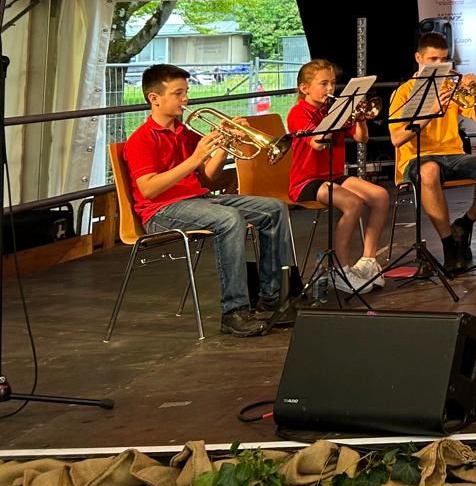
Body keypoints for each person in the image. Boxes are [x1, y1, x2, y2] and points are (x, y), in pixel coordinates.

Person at [124, 64, 295, 337]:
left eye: (186, 92)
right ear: (154, 98)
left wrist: (225, 143)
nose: (185, 99)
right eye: (178, 93)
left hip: (198, 200)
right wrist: (195, 158)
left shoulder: (185, 133)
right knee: (229, 220)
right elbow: (149, 189)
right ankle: (234, 311)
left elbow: (209, 177)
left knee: (274, 208)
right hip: (160, 212)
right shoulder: (141, 139)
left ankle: (272, 297)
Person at [388, 33, 476, 275]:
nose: (440, 65)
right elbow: (397, 138)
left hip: (454, 155)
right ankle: (449, 246)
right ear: (418, 58)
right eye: (433, 59)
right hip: (416, 158)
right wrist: (432, 112)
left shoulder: (449, 87)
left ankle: (464, 223)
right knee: (429, 171)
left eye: (444, 60)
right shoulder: (403, 93)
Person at [286, 59, 390, 292]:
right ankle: (341, 269)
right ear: (304, 88)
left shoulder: (332, 109)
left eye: (333, 83)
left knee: (380, 196)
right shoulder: (298, 113)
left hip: (333, 176)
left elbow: (362, 138)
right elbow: (317, 144)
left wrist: (359, 118)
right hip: (306, 181)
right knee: (353, 203)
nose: (330, 88)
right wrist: (336, 118)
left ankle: (368, 261)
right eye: (323, 84)